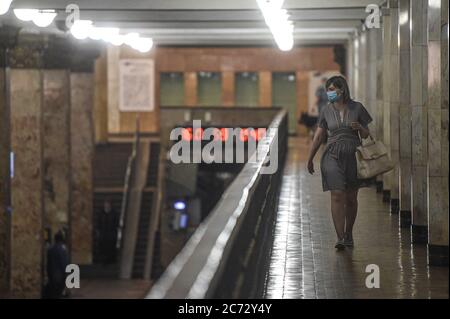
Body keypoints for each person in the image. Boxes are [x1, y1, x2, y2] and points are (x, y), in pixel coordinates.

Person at [306, 75, 374, 250]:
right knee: (337, 194)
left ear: (342, 90)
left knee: (351, 198)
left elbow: (367, 135)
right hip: (332, 155)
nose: (329, 93)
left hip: (353, 156)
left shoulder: (357, 108)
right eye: (328, 89)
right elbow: (319, 135)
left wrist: (360, 128)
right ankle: (340, 237)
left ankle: (349, 232)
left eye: (332, 89)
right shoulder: (326, 111)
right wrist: (310, 158)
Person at [45, 231, 69, 299]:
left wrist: (48, 273)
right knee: (59, 293)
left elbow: (48, 263)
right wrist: (66, 274)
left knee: (53, 293)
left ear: (55, 239)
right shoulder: (63, 249)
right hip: (60, 275)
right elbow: (64, 263)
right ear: (62, 239)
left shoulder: (50, 249)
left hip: (52, 275)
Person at [97, 199, 119, 264]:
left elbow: (116, 223)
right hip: (103, 234)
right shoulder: (101, 213)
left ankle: (111, 261)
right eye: (106, 204)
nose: (107, 205)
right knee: (103, 248)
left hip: (111, 234)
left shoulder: (114, 213)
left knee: (111, 248)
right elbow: (99, 223)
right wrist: (98, 232)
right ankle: (103, 261)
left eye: (108, 204)